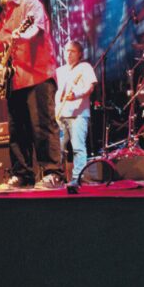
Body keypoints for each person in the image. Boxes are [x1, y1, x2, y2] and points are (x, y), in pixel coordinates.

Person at [0, 0, 65, 189]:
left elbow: (35, 28)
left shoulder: (30, 4)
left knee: (42, 126)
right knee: (16, 132)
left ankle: (53, 173)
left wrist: (22, 34)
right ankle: (22, 174)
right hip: (13, 81)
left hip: (37, 75)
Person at [54, 40, 97, 182]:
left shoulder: (85, 67)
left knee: (78, 147)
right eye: (67, 51)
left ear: (79, 54)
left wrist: (76, 95)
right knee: (58, 149)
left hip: (78, 114)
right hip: (60, 115)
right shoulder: (59, 71)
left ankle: (78, 177)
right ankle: (58, 177)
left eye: (72, 51)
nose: (68, 54)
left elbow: (90, 88)